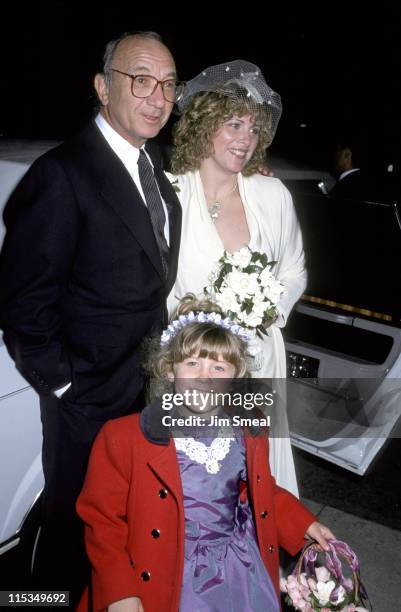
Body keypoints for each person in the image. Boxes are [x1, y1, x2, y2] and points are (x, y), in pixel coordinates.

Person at [0, 31, 182, 605]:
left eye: (170, 84)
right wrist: (65, 385)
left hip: (143, 393)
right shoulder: (63, 173)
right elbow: (23, 301)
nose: (158, 96)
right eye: (142, 79)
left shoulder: (154, 170)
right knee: (69, 538)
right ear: (103, 87)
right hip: (85, 403)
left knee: (121, 534)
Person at [76, 296, 334, 612]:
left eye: (219, 366)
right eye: (192, 363)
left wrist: (303, 524)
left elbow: (259, 492)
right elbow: (102, 523)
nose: (204, 376)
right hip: (165, 572)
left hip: (236, 570)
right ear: (169, 370)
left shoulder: (247, 431)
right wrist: (119, 592)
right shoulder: (123, 437)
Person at [167, 60, 306, 496]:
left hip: (260, 359)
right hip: (195, 368)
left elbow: (295, 269)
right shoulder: (168, 195)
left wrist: (267, 309)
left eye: (253, 129)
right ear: (205, 124)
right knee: (201, 489)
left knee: (260, 480)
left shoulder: (271, 194)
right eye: (233, 124)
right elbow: (156, 286)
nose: (245, 140)